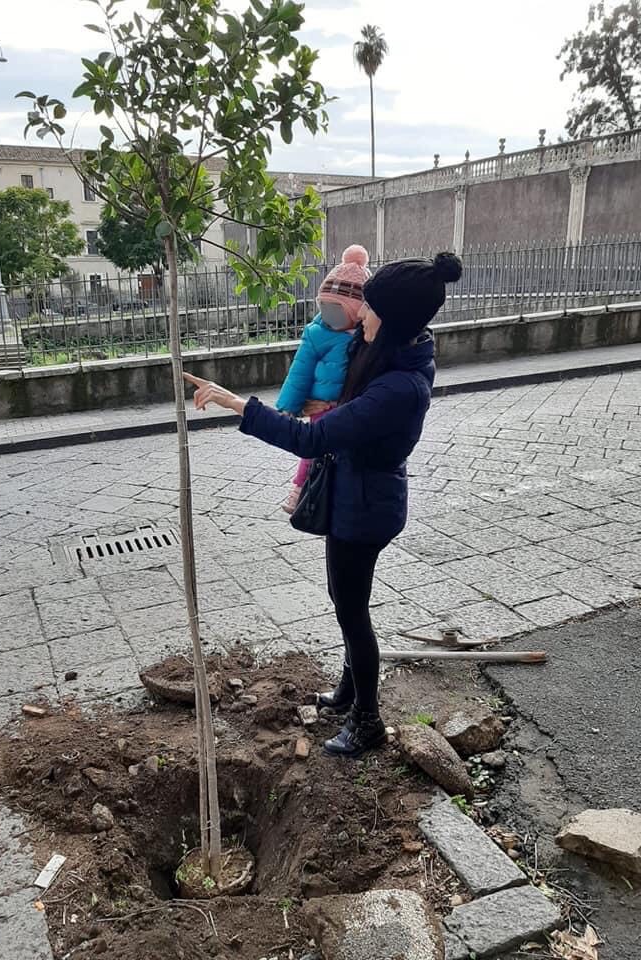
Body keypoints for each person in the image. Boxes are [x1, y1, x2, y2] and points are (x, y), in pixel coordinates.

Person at [184, 252, 463, 758]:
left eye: (370, 307)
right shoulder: (389, 351)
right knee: (344, 600)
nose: (360, 315)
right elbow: (330, 383)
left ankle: (367, 721)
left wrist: (236, 403)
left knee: (352, 613)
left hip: (366, 509)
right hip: (354, 496)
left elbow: (310, 440)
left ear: (393, 318)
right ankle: (349, 692)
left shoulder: (399, 386)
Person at [275, 245, 371, 513]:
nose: (331, 316)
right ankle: (299, 489)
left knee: (344, 453)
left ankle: (334, 493)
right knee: (314, 448)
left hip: (351, 406)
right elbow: (300, 371)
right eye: (325, 308)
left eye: (337, 310)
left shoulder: (367, 334)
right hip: (323, 404)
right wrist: (289, 407)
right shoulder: (317, 333)